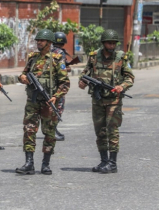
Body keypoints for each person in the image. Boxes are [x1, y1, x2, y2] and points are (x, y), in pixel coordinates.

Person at [78, 29, 134, 174]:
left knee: (112, 131)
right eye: (109, 42)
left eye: (114, 43)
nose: (112, 45)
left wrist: (122, 86)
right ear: (103, 43)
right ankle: (104, 161)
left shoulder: (121, 57)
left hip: (114, 100)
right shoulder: (94, 56)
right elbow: (85, 73)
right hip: (98, 100)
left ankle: (113, 163)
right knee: (100, 131)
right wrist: (82, 81)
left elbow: (130, 77)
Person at [15, 29, 70, 175]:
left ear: (49, 43)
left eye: (42, 40)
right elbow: (23, 73)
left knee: (49, 133)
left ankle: (46, 163)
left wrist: (55, 97)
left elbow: (65, 83)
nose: (39, 42)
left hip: (48, 102)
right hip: (32, 102)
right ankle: (29, 163)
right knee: (29, 130)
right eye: (37, 40)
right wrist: (22, 78)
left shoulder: (57, 59)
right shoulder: (33, 58)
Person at [51, 31, 71, 141]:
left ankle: (53, 129)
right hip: (59, 84)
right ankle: (52, 130)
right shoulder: (61, 53)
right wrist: (68, 68)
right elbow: (62, 68)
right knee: (58, 107)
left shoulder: (49, 51)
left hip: (50, 83)